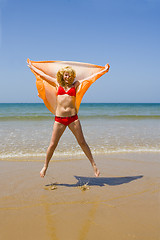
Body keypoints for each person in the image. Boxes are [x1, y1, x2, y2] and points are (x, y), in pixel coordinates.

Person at [28, 60, 110, 178]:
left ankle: (94, 165)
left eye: (70, 75)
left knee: (82, 142)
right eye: (66, 75)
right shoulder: (57, 84)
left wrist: (103, 70)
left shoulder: (75, 85)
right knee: (52, 144)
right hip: (59, 120)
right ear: (63, 75)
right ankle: (45, 166)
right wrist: (32, 66)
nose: (68, 77)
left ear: (72, 76)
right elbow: (43, 75)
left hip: (73, 119)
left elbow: (90, 77)